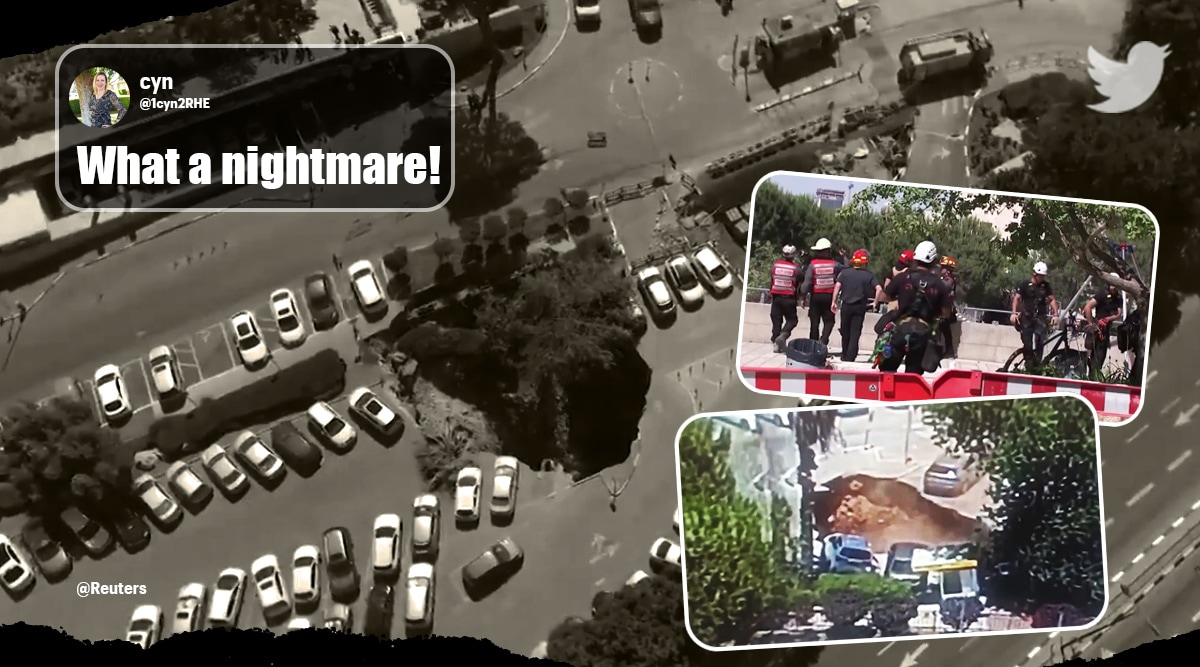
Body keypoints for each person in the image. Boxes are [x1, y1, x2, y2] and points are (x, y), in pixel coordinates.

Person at [875, 241, 953, 373]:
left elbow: (884, 297)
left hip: (899, 331)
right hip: (922, 335)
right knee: (913, 376)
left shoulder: (903, 277)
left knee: (887, 372)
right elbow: (946, 313)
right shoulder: (940, 285)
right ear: (934, 261)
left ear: (915, 259)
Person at [1011, 262, 1060, 371]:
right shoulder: (1024, 284)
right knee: (1027, 343)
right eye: (1040, 276)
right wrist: (1014, 313)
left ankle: (1037, 366)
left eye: (1043, 276)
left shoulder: (1045, 286)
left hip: (1040, 318)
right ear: (1034, 274)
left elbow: (1052, 300)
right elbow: (1016, 298)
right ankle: (1029, 365)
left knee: (1039, 342)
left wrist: (1055, 314)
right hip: (1027, 318)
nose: (1042, 278)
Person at [831, 249, 878, 362]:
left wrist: (833, 301)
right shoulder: (869, 275)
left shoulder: (845, 273)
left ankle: (844, 354)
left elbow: (837, 286)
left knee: (845, 331)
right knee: (855, 333)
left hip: (846, 306)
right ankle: (851, 356)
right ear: (865, 263)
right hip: (860, 307)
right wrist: (875, 302)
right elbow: (879, 288)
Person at [801, 238, 843, 346]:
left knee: (814, 322)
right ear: (828, 251)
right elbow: (847, 271)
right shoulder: (835, 265)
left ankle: (813, 345)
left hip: (816, 297)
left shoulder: (813, 264)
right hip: (829, 297)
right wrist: (843, 257)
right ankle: (823, 341)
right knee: (829, 321)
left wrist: (803, 297)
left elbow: (807, 282)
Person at [1083, 272, 1124, 372]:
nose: (1114, 286)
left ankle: (1094, 375)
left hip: (1105, 331)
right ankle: (1090, 374)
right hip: (1096, 329)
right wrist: (1091, 324)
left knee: (1100, 357)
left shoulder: (1118, 298)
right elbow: (1087, 307)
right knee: (1091, 355)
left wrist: (1108, 319)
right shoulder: (1102, 294)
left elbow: (1119, 314)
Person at [768, 245, 803, 352]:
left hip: (776, 297)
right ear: (793, 255)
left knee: (776, 321)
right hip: (789, 298)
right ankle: (782, 336)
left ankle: (776, 342)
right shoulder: (796, 268)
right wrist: (801, 297)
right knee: (792, 320)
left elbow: (772, 279)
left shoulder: (775, 265)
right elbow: (801, 280)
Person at [938, 256, 960, 358]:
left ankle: (949, 351)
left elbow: (941, 288)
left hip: (945, 311)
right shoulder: (945, 279)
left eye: (942, 268)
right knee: (943, 330)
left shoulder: (949, 281)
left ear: (947, 270)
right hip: (943, 310)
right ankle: (947, 350)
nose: (941, 269)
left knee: (944, 330)